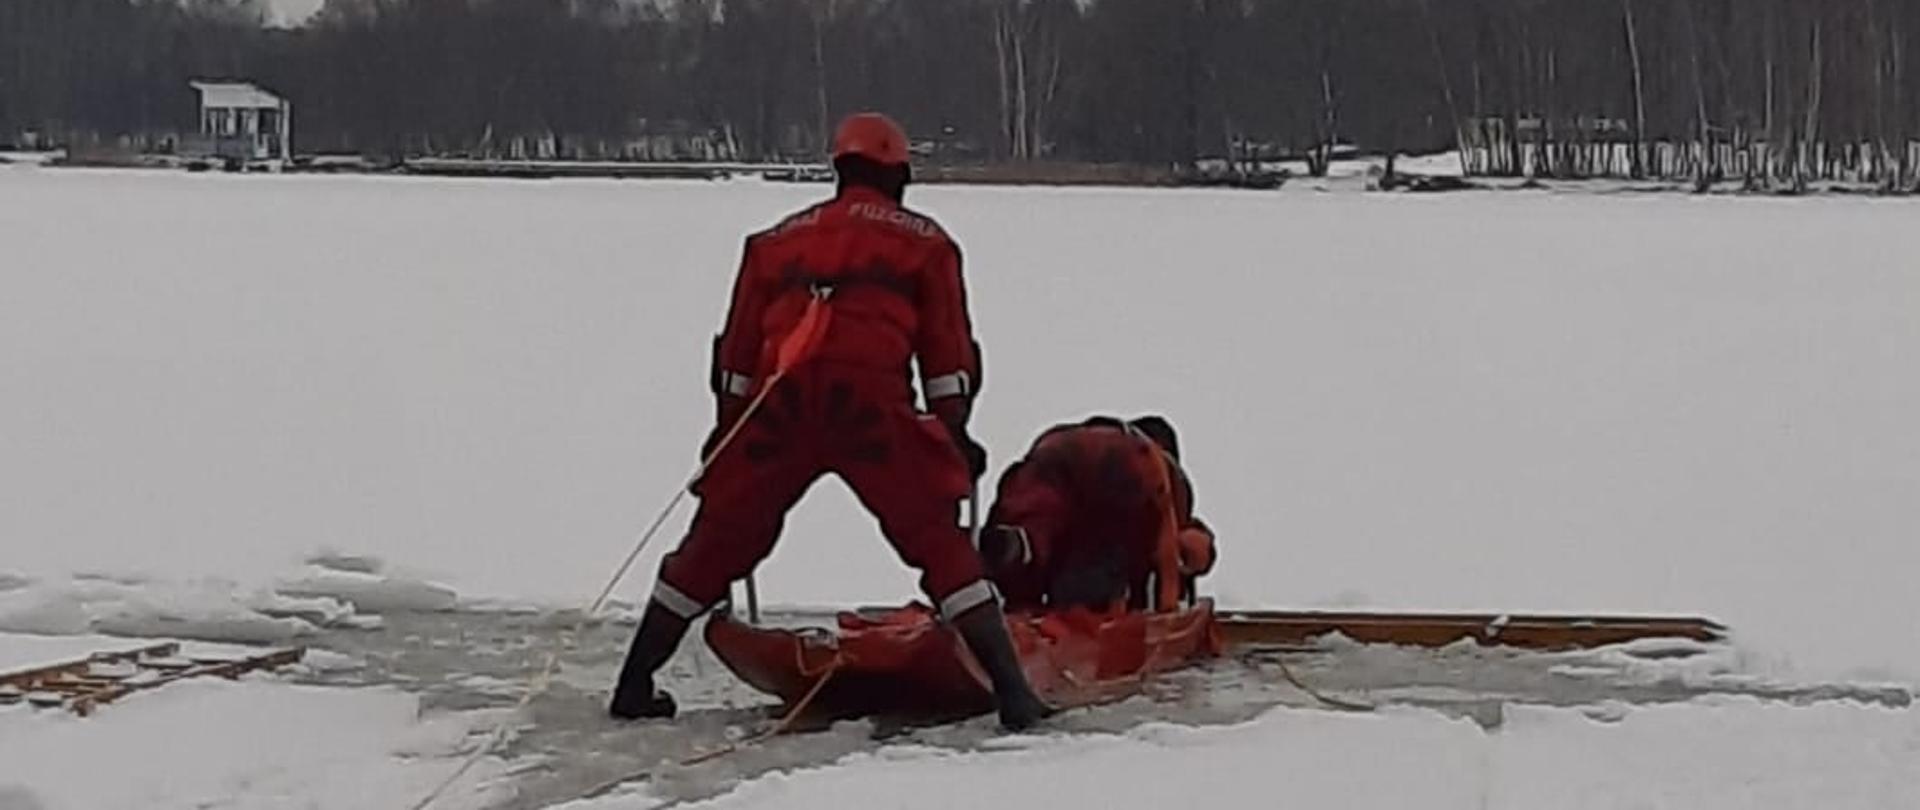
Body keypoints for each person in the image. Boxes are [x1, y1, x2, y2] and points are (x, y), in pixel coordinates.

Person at [609, 112, 1051, 731]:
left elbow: (735, 359)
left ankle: (634, 682)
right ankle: (1014, 695)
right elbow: (947, 357)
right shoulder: (927, 243)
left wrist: (728, 429)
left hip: (778, 405)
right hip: (869, 408)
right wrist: (952, 430)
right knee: (936, 541)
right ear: (898, 172)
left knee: (716, 541)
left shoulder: (772, 242)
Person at [980, 415, 1218, 613]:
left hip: (1050, 453)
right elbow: (1166, 559)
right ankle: (1023, 552)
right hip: (1119, 475)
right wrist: (1168, 611)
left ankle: (1018, 546)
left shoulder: (1090, 440)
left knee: (1035, 522)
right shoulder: (1163, 479)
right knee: (1095, 578)